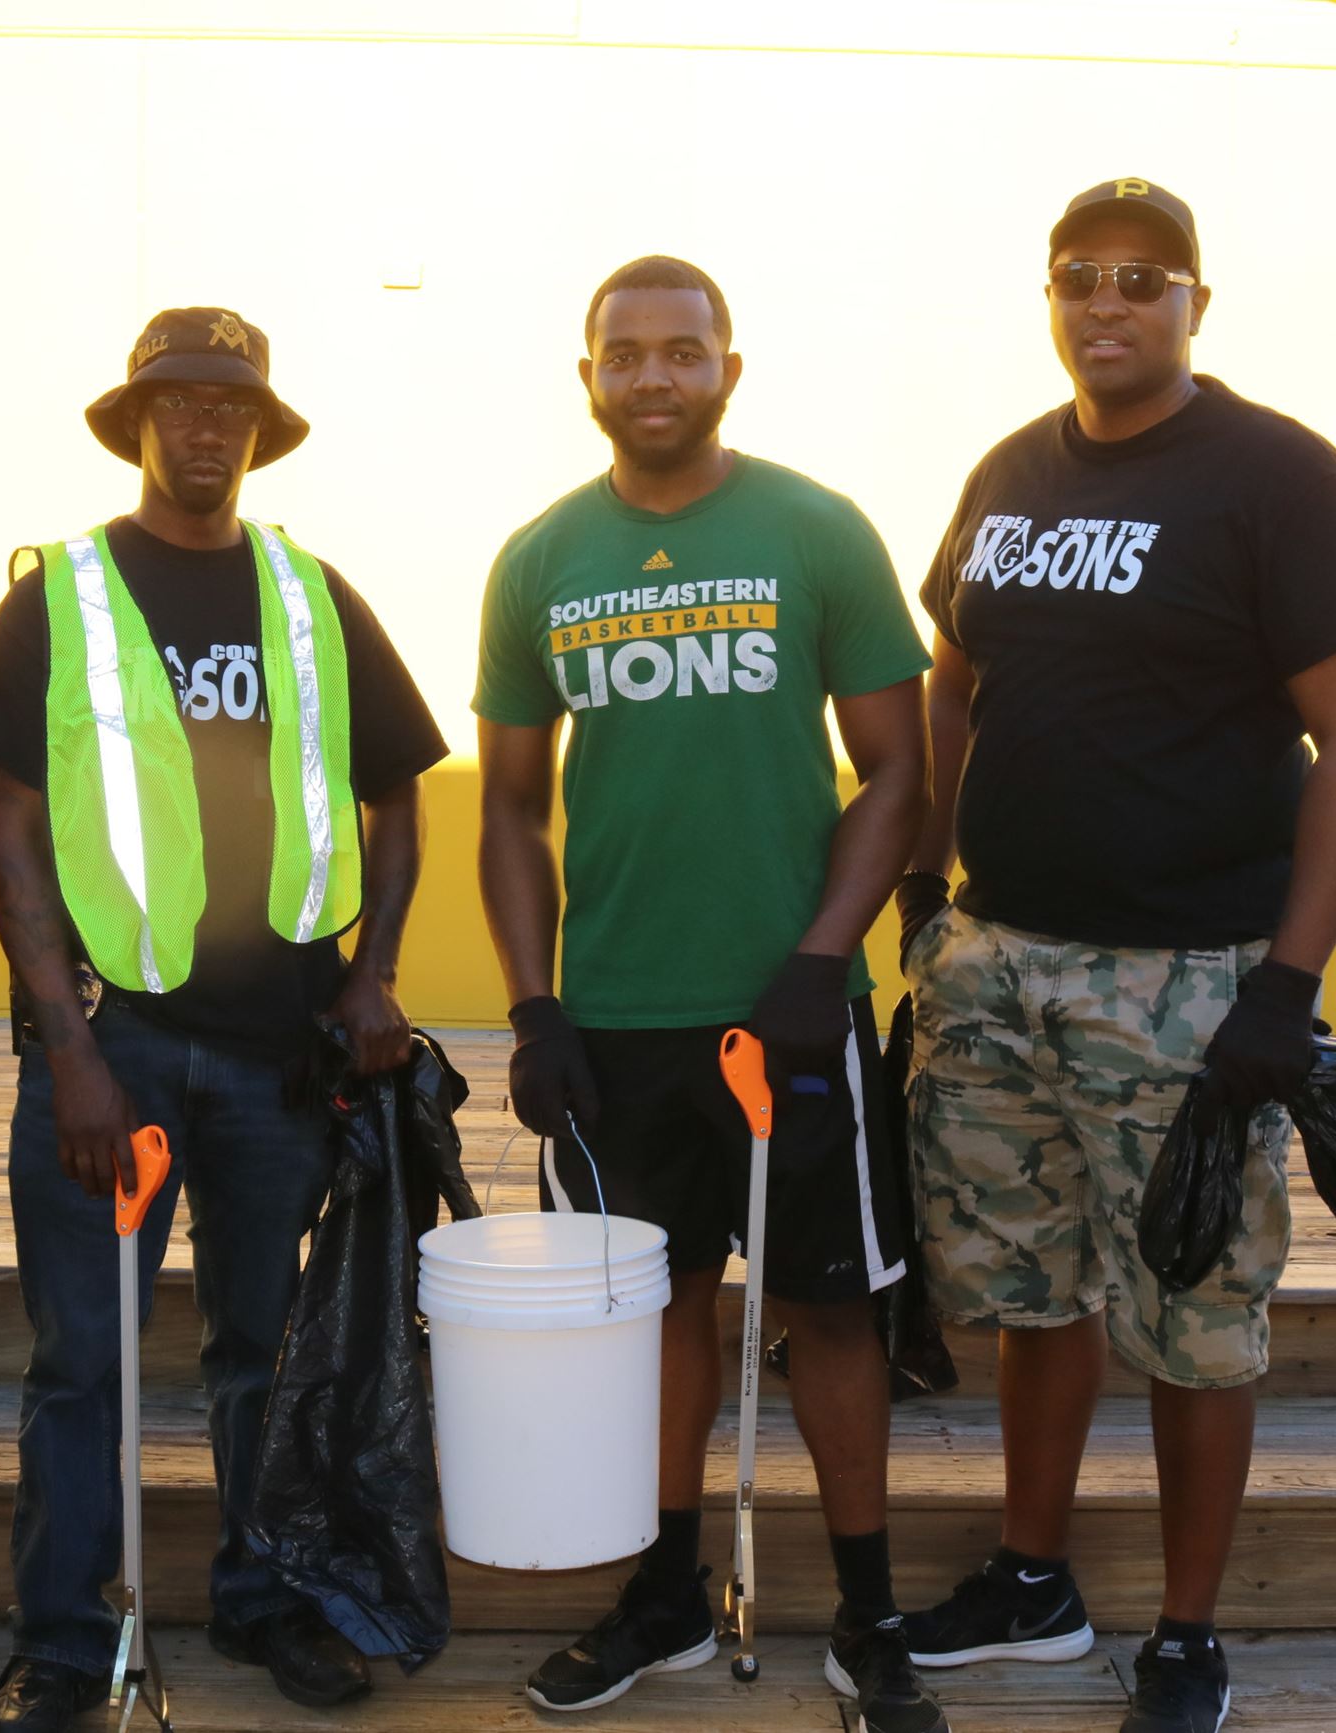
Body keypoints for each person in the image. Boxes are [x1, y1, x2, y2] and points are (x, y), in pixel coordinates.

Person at [894, 180, 1336, 1733]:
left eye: (1142, 280)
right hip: (997, 960)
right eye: (1078, 279)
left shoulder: (1282, 479)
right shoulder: (1010, 471)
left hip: (1187, 980)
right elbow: (952, 680)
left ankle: (1189, 1633)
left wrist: (1288, 985)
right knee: (1028, 1288)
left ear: (1197, 302)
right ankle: (1032, 1578)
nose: (1106, 304)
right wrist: (927, 887)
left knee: (1194, 1307)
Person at [475, 257, 945, 1733]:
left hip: (788, 1012)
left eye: (684, 353)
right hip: (615, 1021)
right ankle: (666, 1592)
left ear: (729, 369)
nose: (656, 377)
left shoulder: (816, 530)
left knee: (831, 1310)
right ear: (590, 377)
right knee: (654, 1311)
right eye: (628, 355)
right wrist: (533, 1008)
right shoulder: (539, 558)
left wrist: (822, 958)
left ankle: (871, 1618)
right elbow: (507, 810)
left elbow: (899, 774)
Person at [0, 308, 448, 1731]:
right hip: (110, 1051)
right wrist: (66, 1044)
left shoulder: (310, 595)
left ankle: (263, 1596)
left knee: (264, 1349)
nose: (203, 425)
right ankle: (60, 1642)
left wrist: (375, 974)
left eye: (229, 404)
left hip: (276, 1059)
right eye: (176, 402)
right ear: (137, 423)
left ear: (259, 429)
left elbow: (401, 787)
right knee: (81, 1363)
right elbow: (10, 828)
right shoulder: (59, 596)